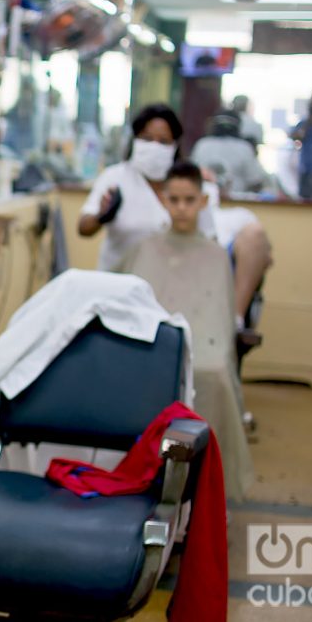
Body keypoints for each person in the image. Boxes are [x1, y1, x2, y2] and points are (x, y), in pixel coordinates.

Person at [118, 163, 254, 499]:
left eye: (189, 199)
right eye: (174, 199)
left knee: (214, 374)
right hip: (150, 338)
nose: (181, 207)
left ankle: (206, 486)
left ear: (202, 202)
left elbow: (219, 322)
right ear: (164, 200)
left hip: (205, 345)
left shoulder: (215, 255)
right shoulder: (144, 248)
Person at [78, 103, 272, 323]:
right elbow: (83, 227)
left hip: (172, 295)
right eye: (147, 139)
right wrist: (102, 215)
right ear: (134, 140)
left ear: (175, 145)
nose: (154, 147)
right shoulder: (116, 178)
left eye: (163, 141)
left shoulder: (187, 184)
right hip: (119, 292)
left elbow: (209, 242)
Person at [190, 110, 270, 194]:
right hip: (234, 201)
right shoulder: (244, 148)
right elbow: (255, 182)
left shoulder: (202, 145)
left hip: (207, 200)